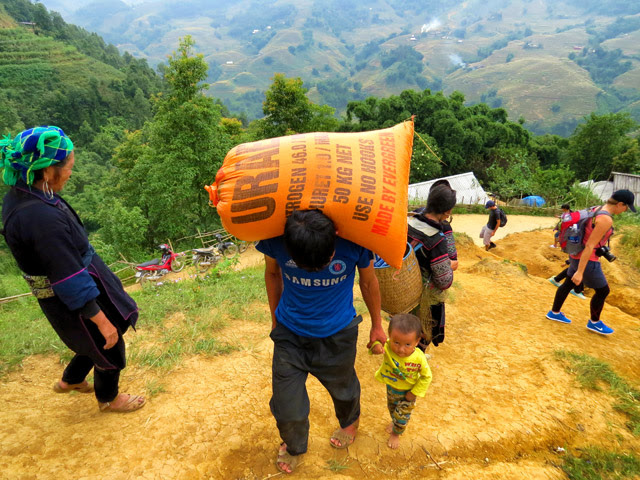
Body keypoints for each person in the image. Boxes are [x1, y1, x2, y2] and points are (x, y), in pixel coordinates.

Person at [1, 126, 145, 413]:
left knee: (90, 339)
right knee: (108, 340)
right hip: (72, 293)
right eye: (67, 168)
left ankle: (72, 379)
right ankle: (109, 399)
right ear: (46, 171)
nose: (70, 173)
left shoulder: (28, 190)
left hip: (82, 278)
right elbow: (67, 277)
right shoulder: (38, 217)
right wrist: (101, 320)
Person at [256, 209, 386, 474]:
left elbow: (369, 281)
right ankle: (293, 445)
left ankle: (350, 422)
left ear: (336, 236)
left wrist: (377, 324)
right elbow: (272, 274)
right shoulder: (276, 242)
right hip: (290, 334)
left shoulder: (354, 243)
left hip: (338, 333)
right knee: (286, 407)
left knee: (344, 387)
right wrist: (274, 320)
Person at [546, 190, 637, 335]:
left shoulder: (596, 209)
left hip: (576, 253)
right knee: (603, 291)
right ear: (620, 204)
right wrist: (581, 272)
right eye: (626, 207)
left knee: (569, 282)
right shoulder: (606, 219)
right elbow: (590, 245)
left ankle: (554, 312)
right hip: (588, 259)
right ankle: (594, 322)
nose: (625, 210)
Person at [407, 184, 457, 351]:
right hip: (423, 299)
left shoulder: (409, 221)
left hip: (402, 290)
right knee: (420, 335)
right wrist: (450, 265)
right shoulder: (436, 239)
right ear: (447, 212)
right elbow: (444, 281)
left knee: (404, 328)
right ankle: (414, 364)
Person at [373, 313, 432, 449]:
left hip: (408, 393)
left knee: (402, 416)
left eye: (407, 344)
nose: (400, 349)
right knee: (392, 409)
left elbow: (427, 376)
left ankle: (396, 433)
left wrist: (415, 392)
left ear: (417, 342)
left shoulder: (419, 358)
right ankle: (394, 422)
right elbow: (376, 344)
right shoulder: (387, 346)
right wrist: (375, 347)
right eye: (396, 342)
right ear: (390, 336)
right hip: (391, 388)